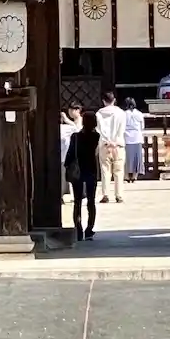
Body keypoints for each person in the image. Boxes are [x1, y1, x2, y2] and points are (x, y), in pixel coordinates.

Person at [63, 104, 97, 241]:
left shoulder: (75, 137)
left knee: (77, 201)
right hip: (91, 169)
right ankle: (89, 229)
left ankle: (78, 229)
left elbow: (70, 153)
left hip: (78, 170)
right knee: (91, 201)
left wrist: (67, 166)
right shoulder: (96, 136)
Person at [95, 89, 126, 204]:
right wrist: (115, 141)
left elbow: (99, 129)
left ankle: (105, 194)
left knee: (105, 170)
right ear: (114, 100)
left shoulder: (99, 114)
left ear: (103, 101)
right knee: (119, 171)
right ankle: (119, 195)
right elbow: (122, 129)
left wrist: (107, 141)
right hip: (118, 145)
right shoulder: (121, 113)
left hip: (105, 144)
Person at [123, 96, 145, 183]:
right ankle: (135, 176)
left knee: (127, 158)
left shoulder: (123, 114)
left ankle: (126, 176)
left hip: (127, 137)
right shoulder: (139, 114)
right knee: (136, 157)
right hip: (137, 137)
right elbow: (142, 127)